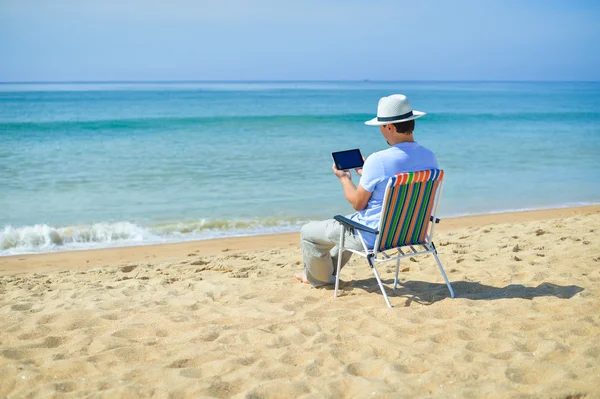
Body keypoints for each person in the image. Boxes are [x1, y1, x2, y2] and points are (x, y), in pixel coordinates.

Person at [296, 94, 439, 286]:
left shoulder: (378, 160)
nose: (381, 131)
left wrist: (345, 179)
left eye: (381, 126)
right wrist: (367, 175)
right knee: (348, 224)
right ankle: (326, 272)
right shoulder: (430, 157)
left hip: (375, 237)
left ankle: (318, 278)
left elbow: (358, 203)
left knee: (309, 232)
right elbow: (392, 187)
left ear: (390, 127)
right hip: (411, 232)